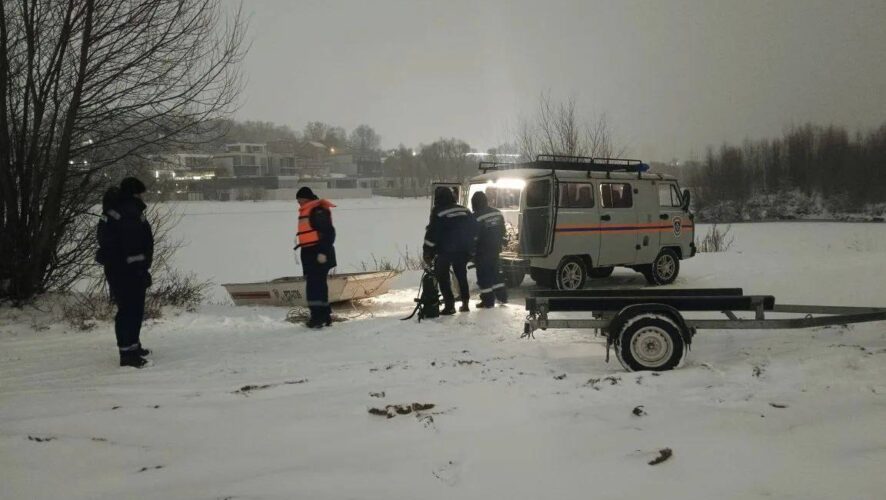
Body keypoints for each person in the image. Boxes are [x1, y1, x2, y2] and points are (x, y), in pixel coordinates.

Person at [96, 177, 154, 368]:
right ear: (134, 194)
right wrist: (141, 267)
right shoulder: (128, 213)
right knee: (129, 310)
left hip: (121, 268)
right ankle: (127, 353)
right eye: (141, 193)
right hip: (128, 270)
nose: (143, 197)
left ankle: (133, 347)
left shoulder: (118, 211)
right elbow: (133, 244)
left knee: (132, 309)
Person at [423, 187, 477, 315]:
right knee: (461, 276)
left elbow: (432, 234)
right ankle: (465, 303)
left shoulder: (438, 211)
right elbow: (474, 230)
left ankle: (450, 305)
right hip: (463, 250)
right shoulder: (464, 210)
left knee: (443, 277)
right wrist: (472, 248)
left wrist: (427, 251)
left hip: (445, 250)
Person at [294, 187, 336, 328]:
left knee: (314, 287)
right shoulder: (310, 210)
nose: (299, 203)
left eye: (300, 200)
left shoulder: (317, 211)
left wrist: (322, 252)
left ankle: (317, 318)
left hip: (318, 253)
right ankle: (324, 316)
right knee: (318, 286)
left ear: (306, 198)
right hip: (310, 254)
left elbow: (329, 232)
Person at [470, 191, 508, 308]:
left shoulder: (476, 217)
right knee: (496, 274)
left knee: (484, 276)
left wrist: (472, 252)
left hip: (482, 252)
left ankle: (488, 301)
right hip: (496, 249)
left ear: (474, 203)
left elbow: (474, 237)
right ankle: (502, 297)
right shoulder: (497, 213)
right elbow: (503, 230)